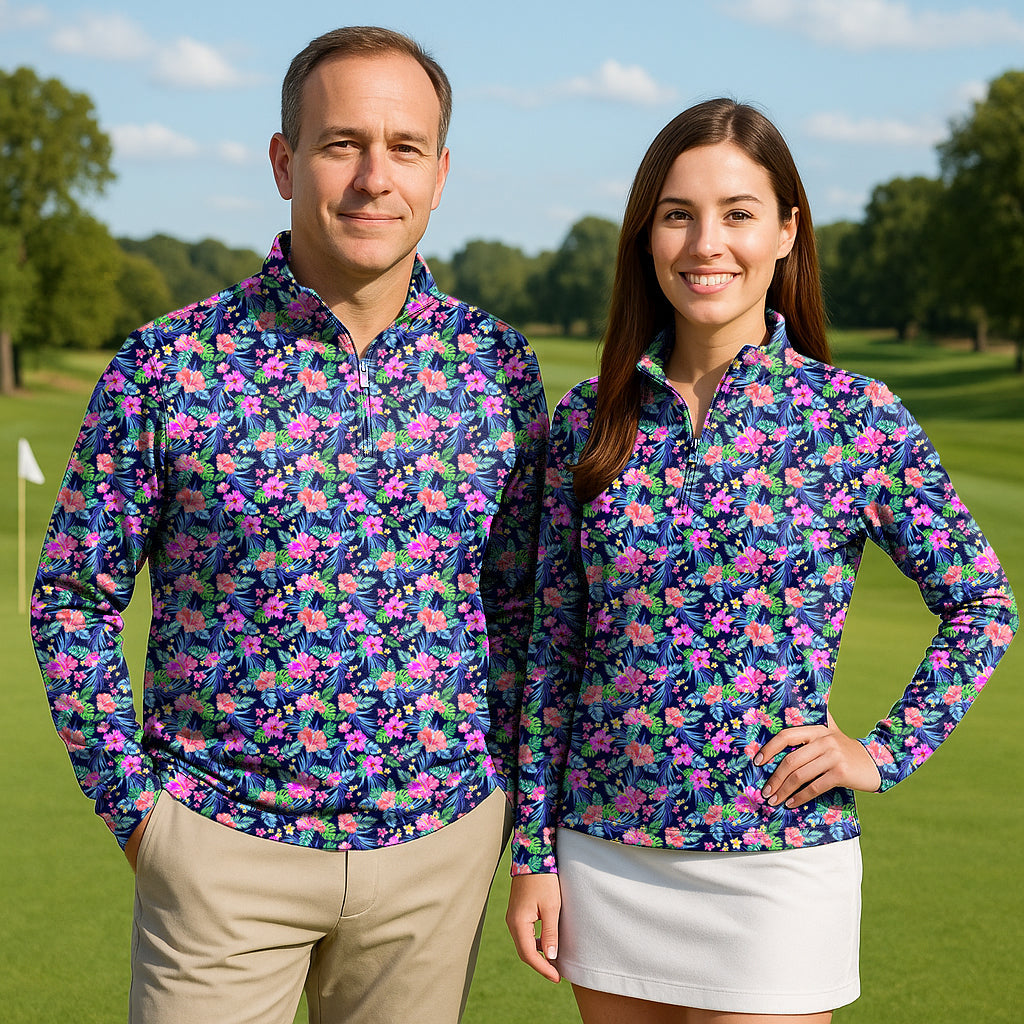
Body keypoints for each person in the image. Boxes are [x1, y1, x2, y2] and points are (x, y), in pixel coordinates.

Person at [31, 25, 547, 1024]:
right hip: (218, 849)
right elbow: (73, 597)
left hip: (433, 854)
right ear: (284, 161)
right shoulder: (169, 365)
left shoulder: (498, 371)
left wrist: (498, 810)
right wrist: (142, 816)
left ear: (440, 175)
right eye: (340, 143)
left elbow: (523, 610)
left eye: (403, 149)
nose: (371, 178)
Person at [505, 98, 1016, 1023]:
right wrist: (534, 856)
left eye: (739, 213)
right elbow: (553, 654)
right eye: (678, 214)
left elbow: (982, 604)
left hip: (778, 860)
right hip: (605, 853)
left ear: (786, 232)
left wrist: (883, 752)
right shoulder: (586, 420)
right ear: (647, 236)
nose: (708, 243)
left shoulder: (853, 417)